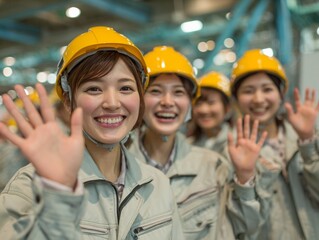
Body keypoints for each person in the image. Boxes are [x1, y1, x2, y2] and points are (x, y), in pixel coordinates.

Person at [0, 26, 184, 239]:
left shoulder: (157, 184)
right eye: (94, 89)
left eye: (125, 88)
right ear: (69, 101)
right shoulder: (29, 186)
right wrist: (57, 195)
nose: (112, 103)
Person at [128, 46, 269, 239]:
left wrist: (245, 177)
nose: (168, 101)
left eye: (178, 92)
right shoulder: (118, 169)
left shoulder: (213, 165)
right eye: (156, 91)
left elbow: (247, 228)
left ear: (188, 105)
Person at [230, 48, 319, 240]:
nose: (259, 99)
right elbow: (243, 227)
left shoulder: (306, 138)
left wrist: (307, 142)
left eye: (267, 89)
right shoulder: (231, 152)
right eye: (248, 91)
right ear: (236, 98)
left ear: (281, 93)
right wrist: (245, 178)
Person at [187, 71, 233, 157]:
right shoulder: (186, 145)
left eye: (211, 102)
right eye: (198, 103)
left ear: (227, 108)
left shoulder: (239, 143)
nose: (204, 110)